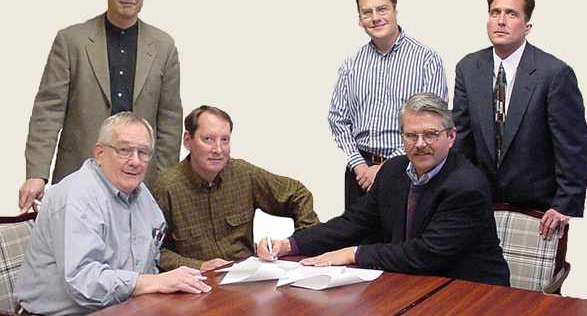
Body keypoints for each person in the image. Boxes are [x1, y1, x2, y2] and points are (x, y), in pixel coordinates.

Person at [258, 93, 509, 286]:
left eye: (431, 135)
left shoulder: (467, 186)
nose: (420, 144)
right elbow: (352, 223)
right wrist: (289, 245)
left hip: (471, 291)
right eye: (411, 136)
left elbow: (426, 253)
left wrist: (355, 254)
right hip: (411, 283)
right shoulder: (393, 171)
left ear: (451, 136)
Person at [19, 0, 183, 214]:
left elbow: (170, 122)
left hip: (139, 180)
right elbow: (47, 112)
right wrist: (37, 173)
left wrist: (163, 183)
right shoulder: (71, 40)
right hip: (78, 175)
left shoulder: (163, 46)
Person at [14, 113, 210, 316]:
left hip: (126, 309)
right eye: (124, 150)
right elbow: (83, 283)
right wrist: (155, 282)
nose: (135, 161)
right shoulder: (76, 198)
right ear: (99, 153)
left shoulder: (142, 196)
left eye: (143, 152)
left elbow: (151, 261)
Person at [452, 0, 587, 240]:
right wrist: (458, 193)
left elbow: (573, 145)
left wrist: (565, 203)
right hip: (479, 202)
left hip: (537, 206)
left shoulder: (554, 73)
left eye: (511, 14)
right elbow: (461, 139)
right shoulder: (469, 68)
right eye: (495, 13)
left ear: (527, 27)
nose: (501, 21)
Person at [152, 106, 320, 273]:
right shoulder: (168, 189)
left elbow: (298, 194)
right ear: (188, 140)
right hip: (198, 284)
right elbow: (154, 251)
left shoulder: (242, 174)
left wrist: (297, 244)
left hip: (246, 278)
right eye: (208, 139)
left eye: (224, 140)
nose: (218, 149)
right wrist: (198, 266)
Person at [328, 0, 448, 211]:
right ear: (360, 19)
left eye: (382, 9)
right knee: (356, 244)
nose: (375, 18)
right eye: (367, 12)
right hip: (359, 175)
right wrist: (359, 165)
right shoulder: (351, 65)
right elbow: (337, 119)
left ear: (395, 11)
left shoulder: (426, 60)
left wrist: (386, 167)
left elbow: (433, 122)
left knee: (399, 244)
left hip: (409, 169)